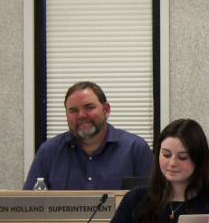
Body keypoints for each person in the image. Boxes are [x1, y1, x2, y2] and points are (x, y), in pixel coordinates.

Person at [106, 118, 209, 223]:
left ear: (198, 159)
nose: (172, 163)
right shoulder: (135, 199)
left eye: (182, 157)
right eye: (166, 155)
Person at [23, 81, 153, 190]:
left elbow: (153, 202)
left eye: (89, 107)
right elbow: (28, 205)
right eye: (73, 110)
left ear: (106, 110)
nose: (81, 115)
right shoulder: (49, 151)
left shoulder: (135, 149)